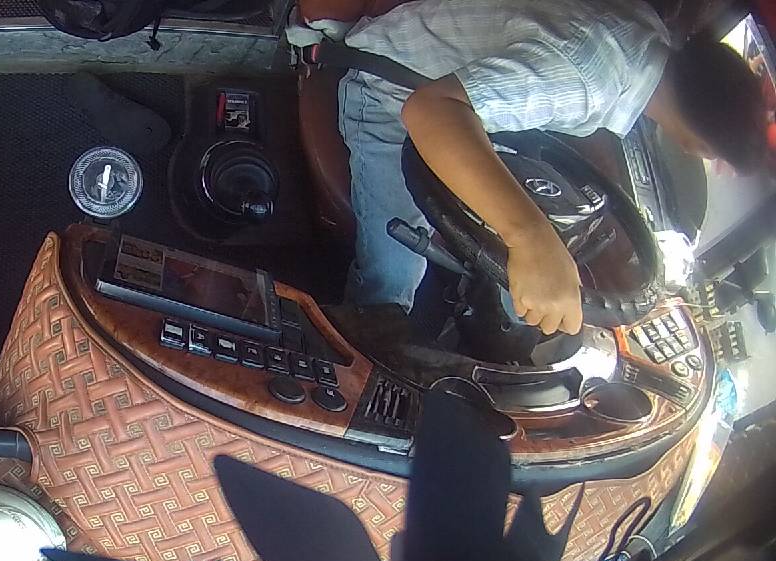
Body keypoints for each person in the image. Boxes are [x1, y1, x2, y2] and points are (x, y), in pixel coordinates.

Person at [305, 0, 766, 336]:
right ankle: (350, 338)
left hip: (444, 80)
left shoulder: (646, 33)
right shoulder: (591, 81)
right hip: (387, 93)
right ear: (702, 144)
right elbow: (429, 111)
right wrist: (530, 238)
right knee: (393, 279)